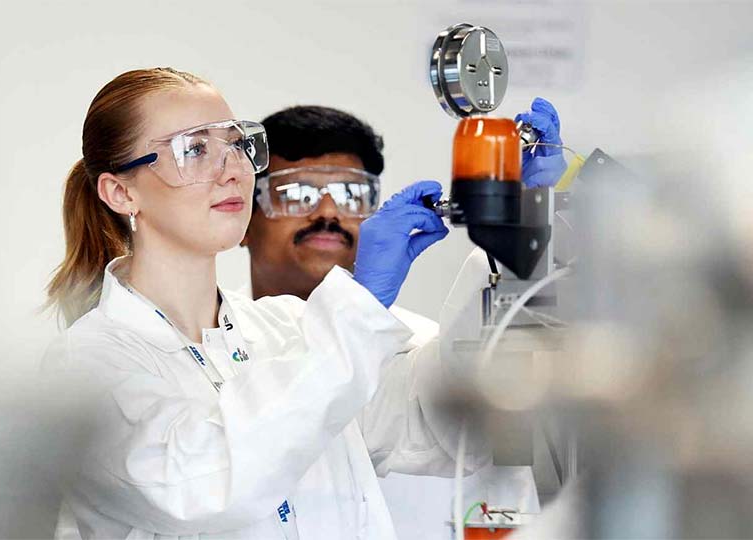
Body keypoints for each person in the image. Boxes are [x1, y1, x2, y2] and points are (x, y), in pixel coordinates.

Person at [42, 67, 484, 540]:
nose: (234, 171)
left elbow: (440, 422)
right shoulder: (86, 367)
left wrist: (511, 253)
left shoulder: (292, 326)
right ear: (121, 192)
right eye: (194, 149)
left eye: (236, 145)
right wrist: (358, 305)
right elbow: (207, 485)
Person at [241, 103, 567, 536]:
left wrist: (527, 232)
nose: (327, 213)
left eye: (349, 195)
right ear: (242, 215)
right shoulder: (217, 358)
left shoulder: (437, 356)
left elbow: (506, 486)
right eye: (296, 193)